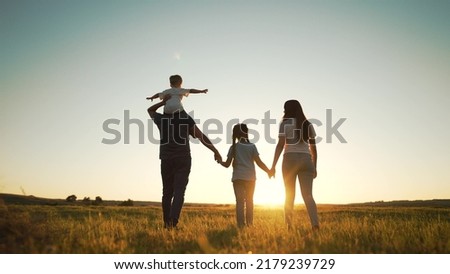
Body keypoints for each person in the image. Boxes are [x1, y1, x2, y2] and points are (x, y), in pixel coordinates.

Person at [148, 95, 222, 229]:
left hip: (166, 159)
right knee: (179, 191)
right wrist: (215, 150)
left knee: (167, 192)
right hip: (183, 159)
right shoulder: (185, 118)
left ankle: (167, 223)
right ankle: (173, 222)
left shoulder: (162, 119)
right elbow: (201, 136)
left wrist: (162, 102)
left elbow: (150, 110)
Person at [270, 99, 319, 230]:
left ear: (286, 110)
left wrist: (273, 166)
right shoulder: (308, 124)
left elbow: (280, 145)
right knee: (308, 195)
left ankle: (289, 227)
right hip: (306, 159)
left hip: (289, 159)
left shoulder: (284, 124)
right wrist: (314, 166)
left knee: (289, 195)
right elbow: (313, 148)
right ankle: (315, 225)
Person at [220, 123, 273, 228]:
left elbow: (226, 164)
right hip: (250, 179)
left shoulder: (233, 147)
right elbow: (259, 162)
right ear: (246, 133)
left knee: (239, 202)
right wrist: (268, 171)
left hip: (238, 178)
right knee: (249, 202)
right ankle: (250, 225)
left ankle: (240, 225)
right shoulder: (252, 146)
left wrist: (219, 161)